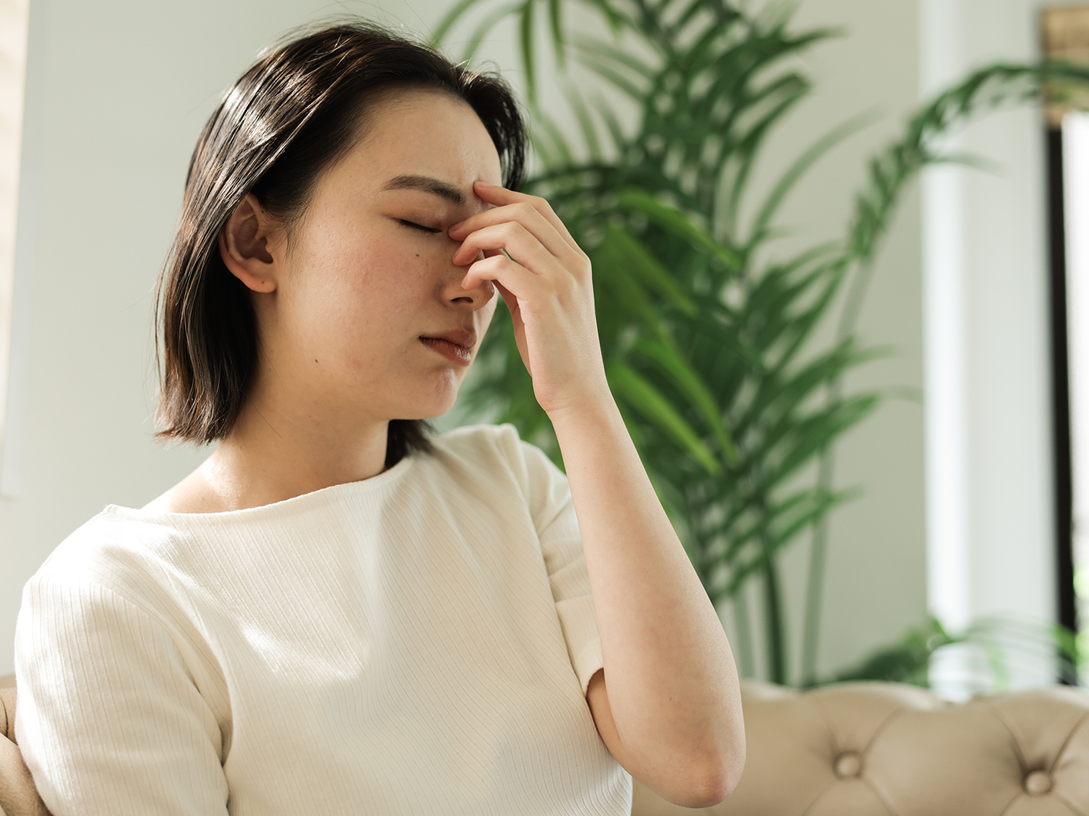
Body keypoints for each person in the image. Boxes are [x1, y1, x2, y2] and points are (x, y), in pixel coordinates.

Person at [13, 21, 744, 816]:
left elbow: (697, 761)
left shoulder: (514, 492)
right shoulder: (116, 598)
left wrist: (583, 399)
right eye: (424, 226)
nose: (476, 284)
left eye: (486, 237)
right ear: (256, 244)